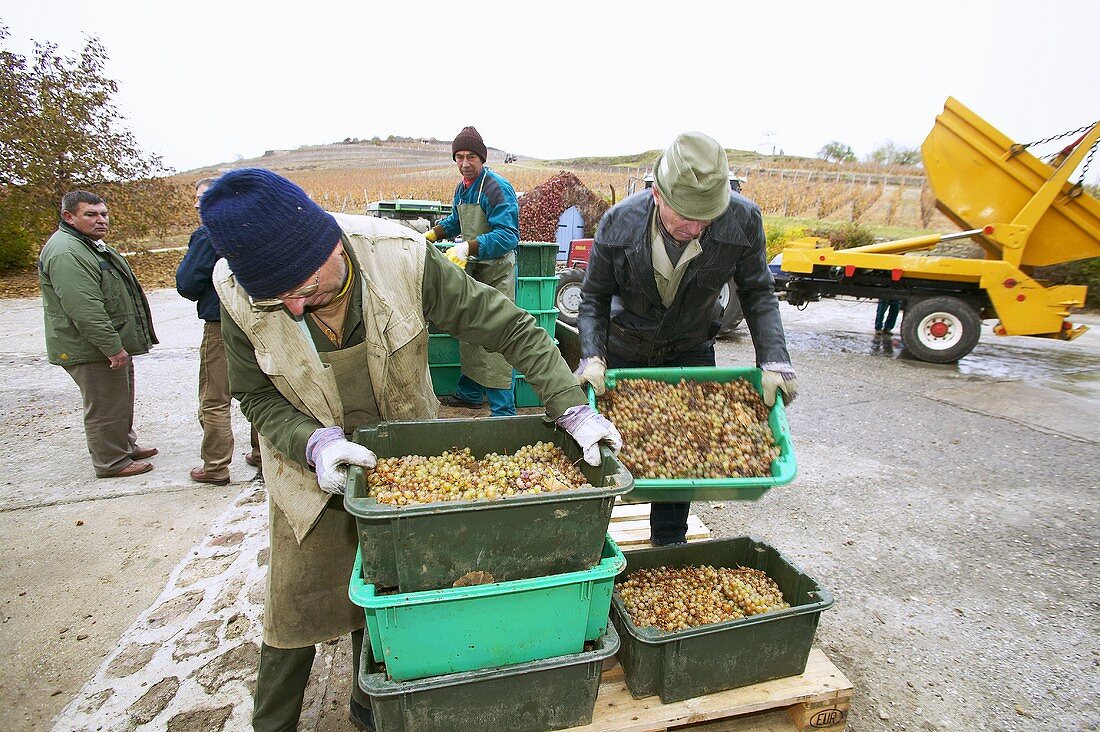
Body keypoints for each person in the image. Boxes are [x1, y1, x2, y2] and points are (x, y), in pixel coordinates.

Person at [199, 168, 621, 732]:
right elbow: (253, 394)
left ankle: (368, 707)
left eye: (304, 289)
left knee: (392, 593)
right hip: (310, 469)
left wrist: (570, 405)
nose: (295, 309)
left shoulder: (400, 260)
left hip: (405, 466)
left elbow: (512, 329)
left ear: (328, 243)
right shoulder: (236, 291)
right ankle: (271, 723)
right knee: (294, 609)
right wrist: (313, 443)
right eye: (279, 299)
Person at [574, 131, 798, 547]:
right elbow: (594, 297)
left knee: (682, 465)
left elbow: (758, 292)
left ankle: (669, 545)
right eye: (684, 215)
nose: (693, 227)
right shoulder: (618, 222)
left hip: (690, 351)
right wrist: (592, 355)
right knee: (606, 455)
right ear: (657, 193)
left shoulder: (743, 220)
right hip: (626, 351)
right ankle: (595, 543)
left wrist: (775, 359)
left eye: (705, 217)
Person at [38, 191, 159, 478]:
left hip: (105, 343)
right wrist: (111, 347)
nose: (100, 220)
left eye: (103, 214)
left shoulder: (87, 245)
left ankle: (123, 446)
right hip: (89, 347)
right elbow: (84, 308)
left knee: (118, 398)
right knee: (104, 405)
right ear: (69, 217)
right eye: (90, 215)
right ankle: (111, 462)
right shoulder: (67, 251)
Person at [424, 125, 521, 416]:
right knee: (468, 330)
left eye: (471, 157)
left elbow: (508, 235)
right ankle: (470, 394)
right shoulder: (462, 188)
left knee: (496, 336)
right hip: (473, 271)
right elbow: (456, 219)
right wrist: (433, 233)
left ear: (482, 158)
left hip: (496, 273)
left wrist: (469, 248)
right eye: (459, 157)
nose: (465, 164)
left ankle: (504, 410)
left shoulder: (496, 187)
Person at [175, 177, 262, 486]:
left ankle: (215, 466)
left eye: (205, 198)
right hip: (260, 321)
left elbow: (187, 284)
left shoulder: (208, 235)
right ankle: (262, 454)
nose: (200, 204)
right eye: (198, 199)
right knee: (261, 389)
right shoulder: (256, 228)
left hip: (221, 325)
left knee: (215, 398)